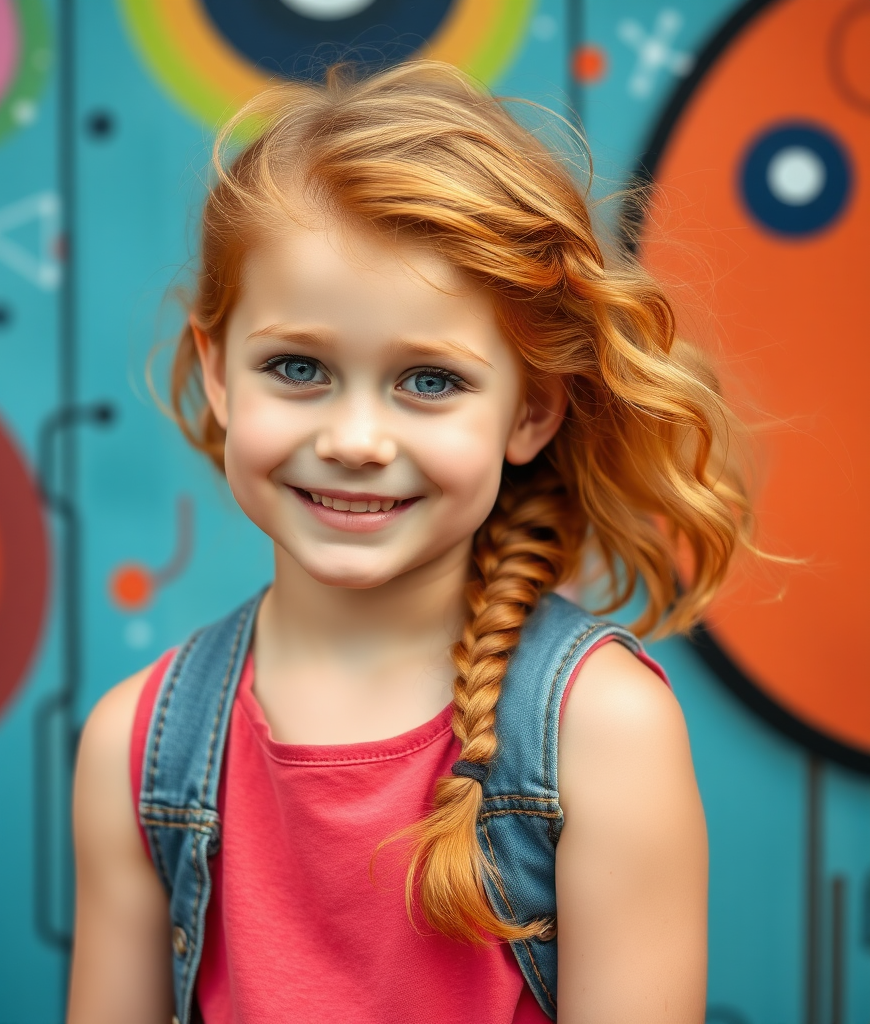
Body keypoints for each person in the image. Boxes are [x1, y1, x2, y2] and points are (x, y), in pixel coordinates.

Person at [67, 60, 752, 1024]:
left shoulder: (603, 734)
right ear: (216, 373)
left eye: (429, 380)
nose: (354, 440)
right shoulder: (135, 750)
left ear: (532, 412)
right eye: (297, 366)